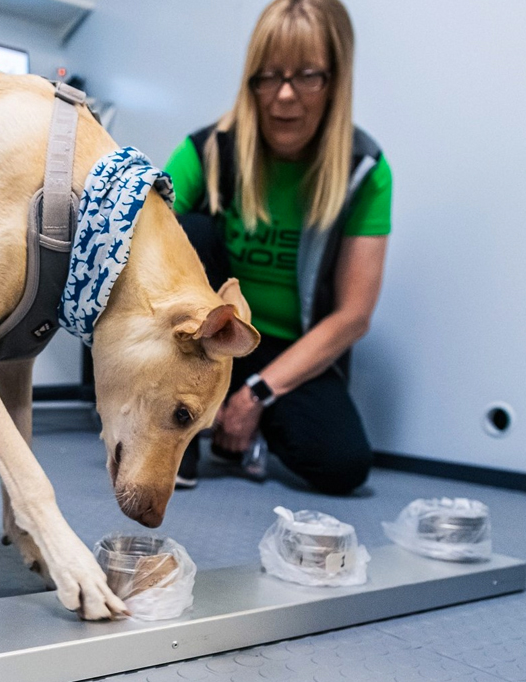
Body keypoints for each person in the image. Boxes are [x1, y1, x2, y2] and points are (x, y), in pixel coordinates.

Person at [166, 0, 391, 495]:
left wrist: (255, 396)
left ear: (336, 81)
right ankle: (180, 435)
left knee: (343, 466)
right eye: (268, 77)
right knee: (184, 230)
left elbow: (353, 315)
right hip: (211, 334)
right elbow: (142, 234)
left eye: (307, 76)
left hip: (289, 351)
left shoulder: (365, 170)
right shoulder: (207, 148)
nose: (284, 97)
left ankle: (246, 424)